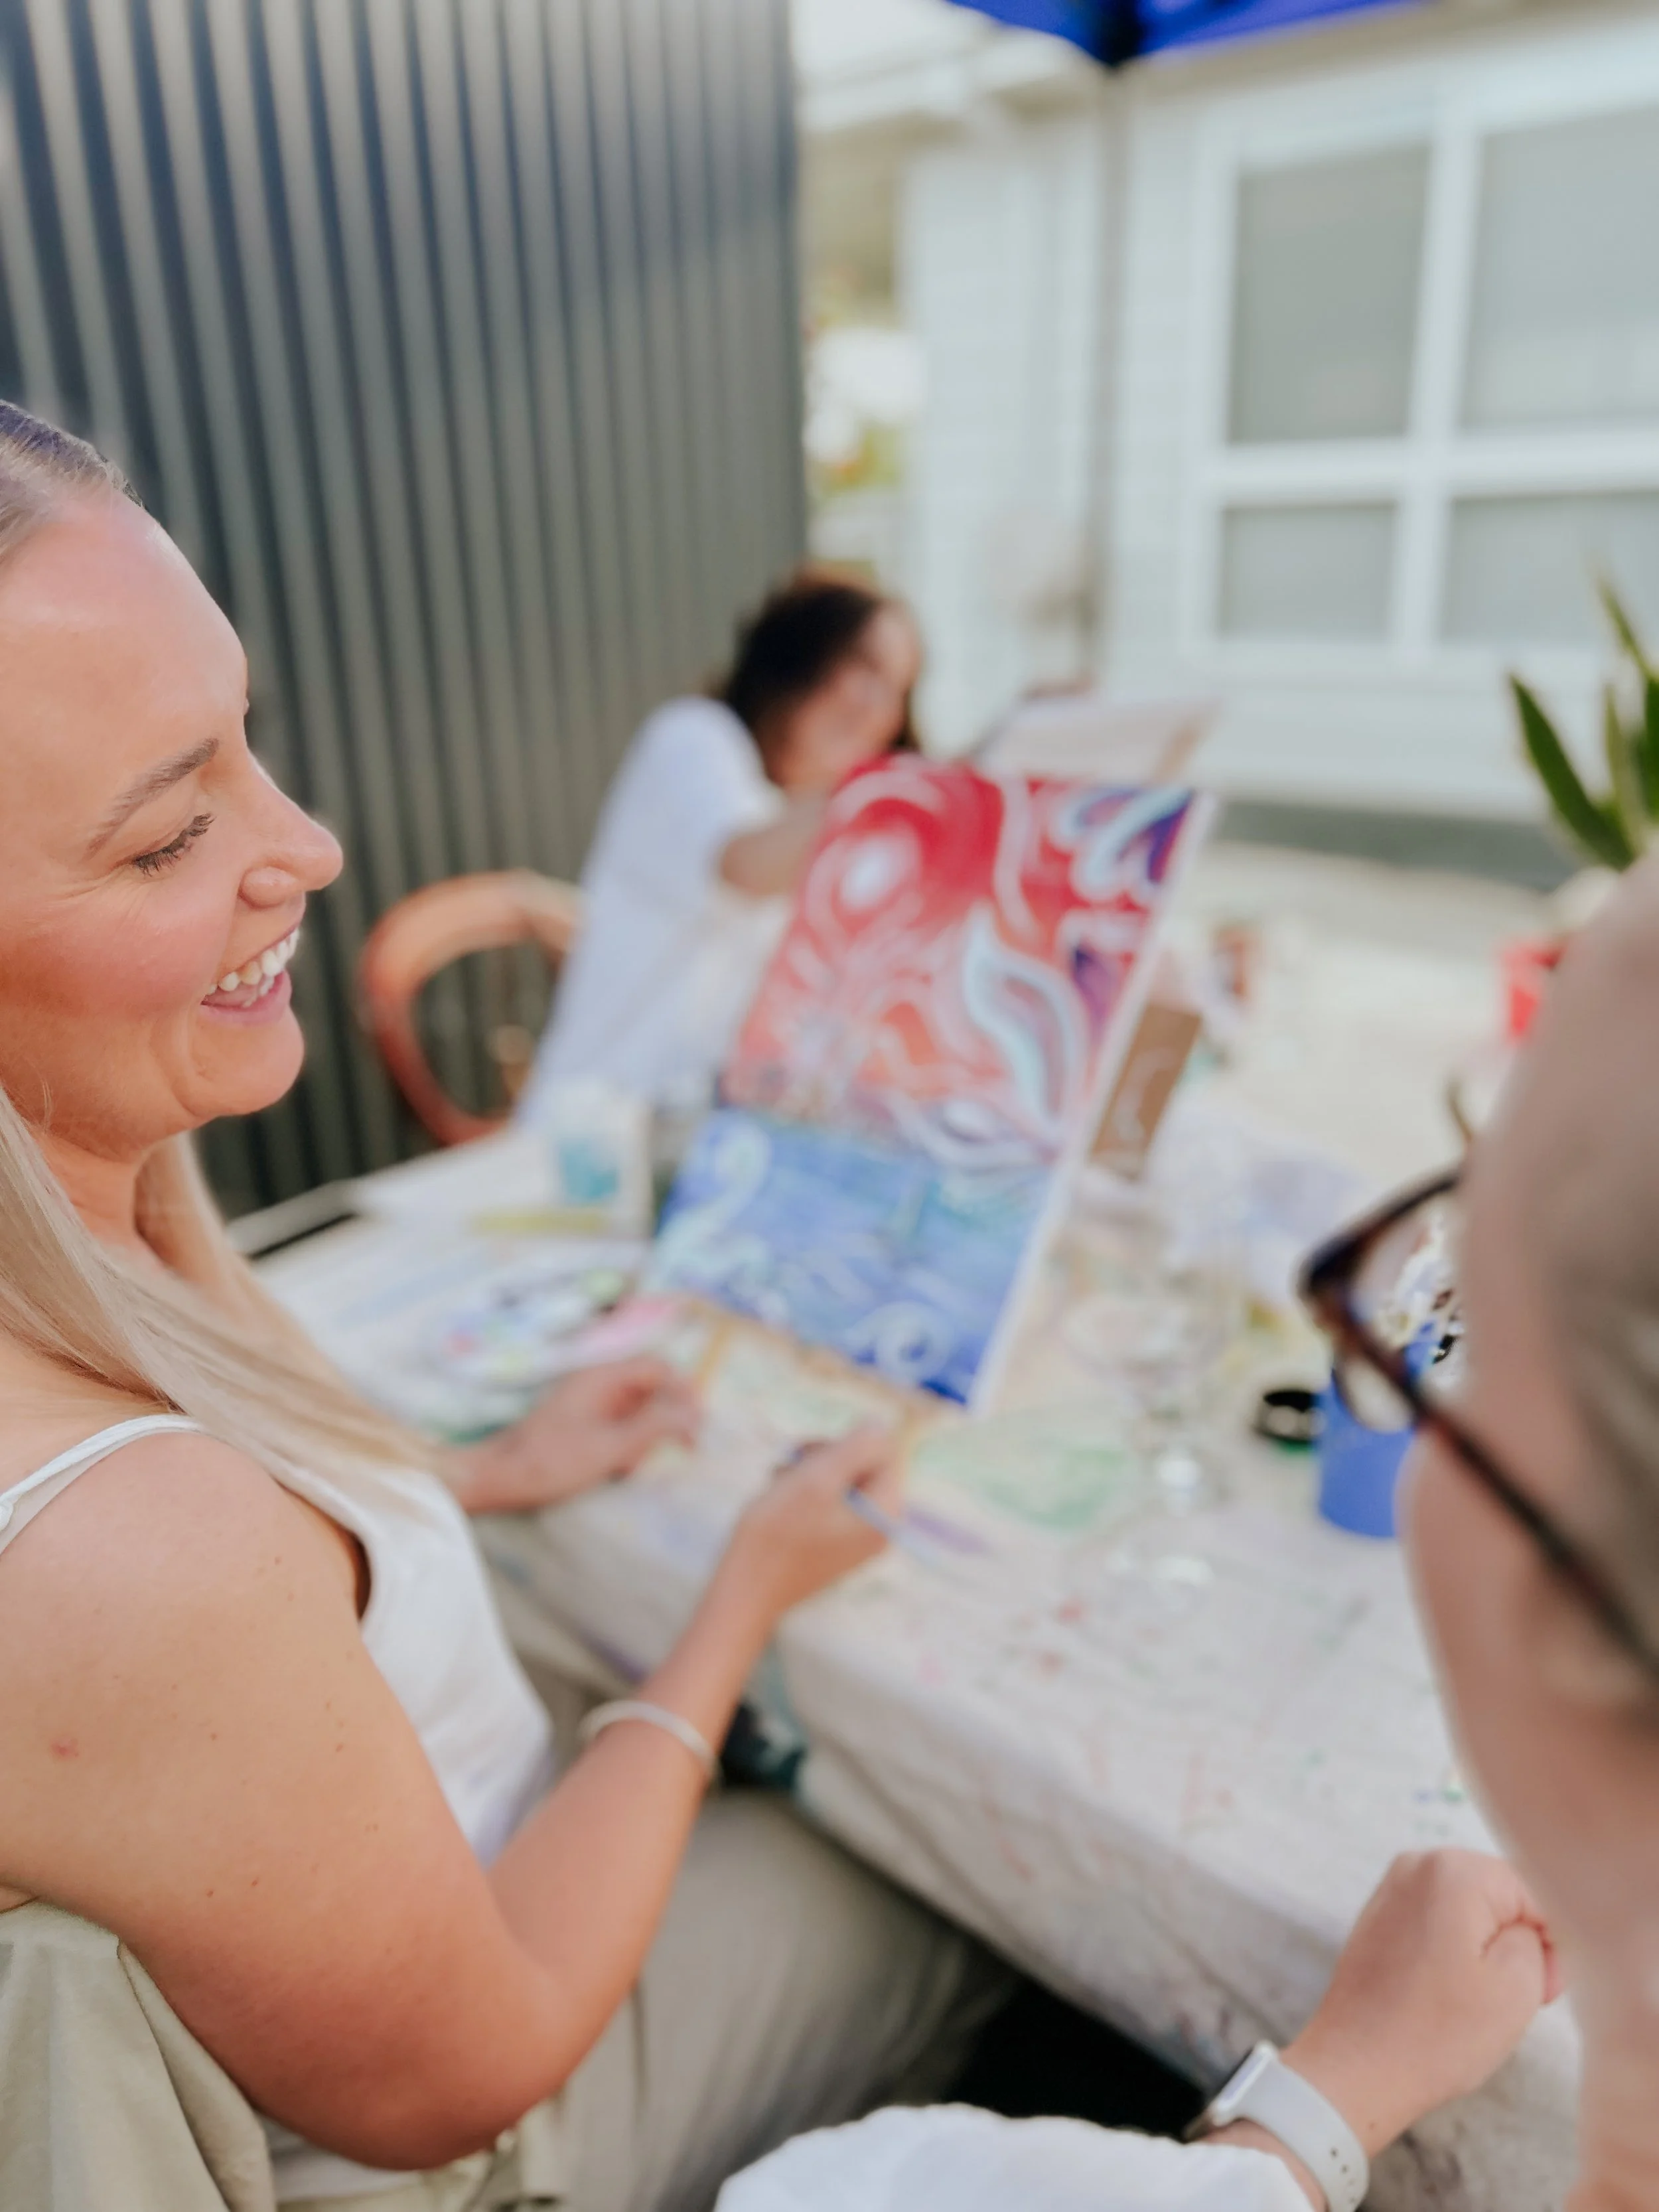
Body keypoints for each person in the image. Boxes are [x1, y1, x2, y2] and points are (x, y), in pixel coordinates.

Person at [0, 403, 1002, 2212]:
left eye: (248, 742)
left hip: (437, 1867)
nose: (305, 841)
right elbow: (480, 2055)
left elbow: (238, 1663)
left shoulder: (104, 1212)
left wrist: (481, 1475)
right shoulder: (128, 1547)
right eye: (166, 837)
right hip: (486, 2134)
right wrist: (728, 1615)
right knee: (961, 1868)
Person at [723, 867, 1659, 2205]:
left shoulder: (888, 2178)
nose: (1410, 1350)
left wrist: (1306, 2116)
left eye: (1460, 1318)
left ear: (1553, 1602)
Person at [519, 569, 922, 1118]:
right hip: (597, 1135)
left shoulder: (807, 811)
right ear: (799, 655)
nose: (878, 707)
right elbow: (747, 865)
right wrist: (907, 788)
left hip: (711, 1138)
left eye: (898, 689)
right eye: (866, 668)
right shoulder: (693, 739)